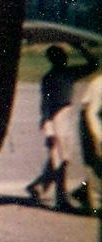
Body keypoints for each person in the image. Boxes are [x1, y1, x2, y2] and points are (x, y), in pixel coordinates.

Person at [26, 43, 98, 209]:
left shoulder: (70, 73)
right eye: (59, 56)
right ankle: (61, 198)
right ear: (53, 59)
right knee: (60, 160)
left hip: (66, 116)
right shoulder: (50, 77)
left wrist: (81, 48)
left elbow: (94, 64)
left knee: (60, 159)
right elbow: (45, 103)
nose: (63, 58)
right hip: (54, 118)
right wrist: (47, 123)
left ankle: (37, 186)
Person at [72, 72, 102, 214]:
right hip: (91, 125)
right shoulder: (98, 84)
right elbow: (91, 114)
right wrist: (97, 138)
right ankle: (95, 206)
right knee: (94, 166)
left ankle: (82, 193)